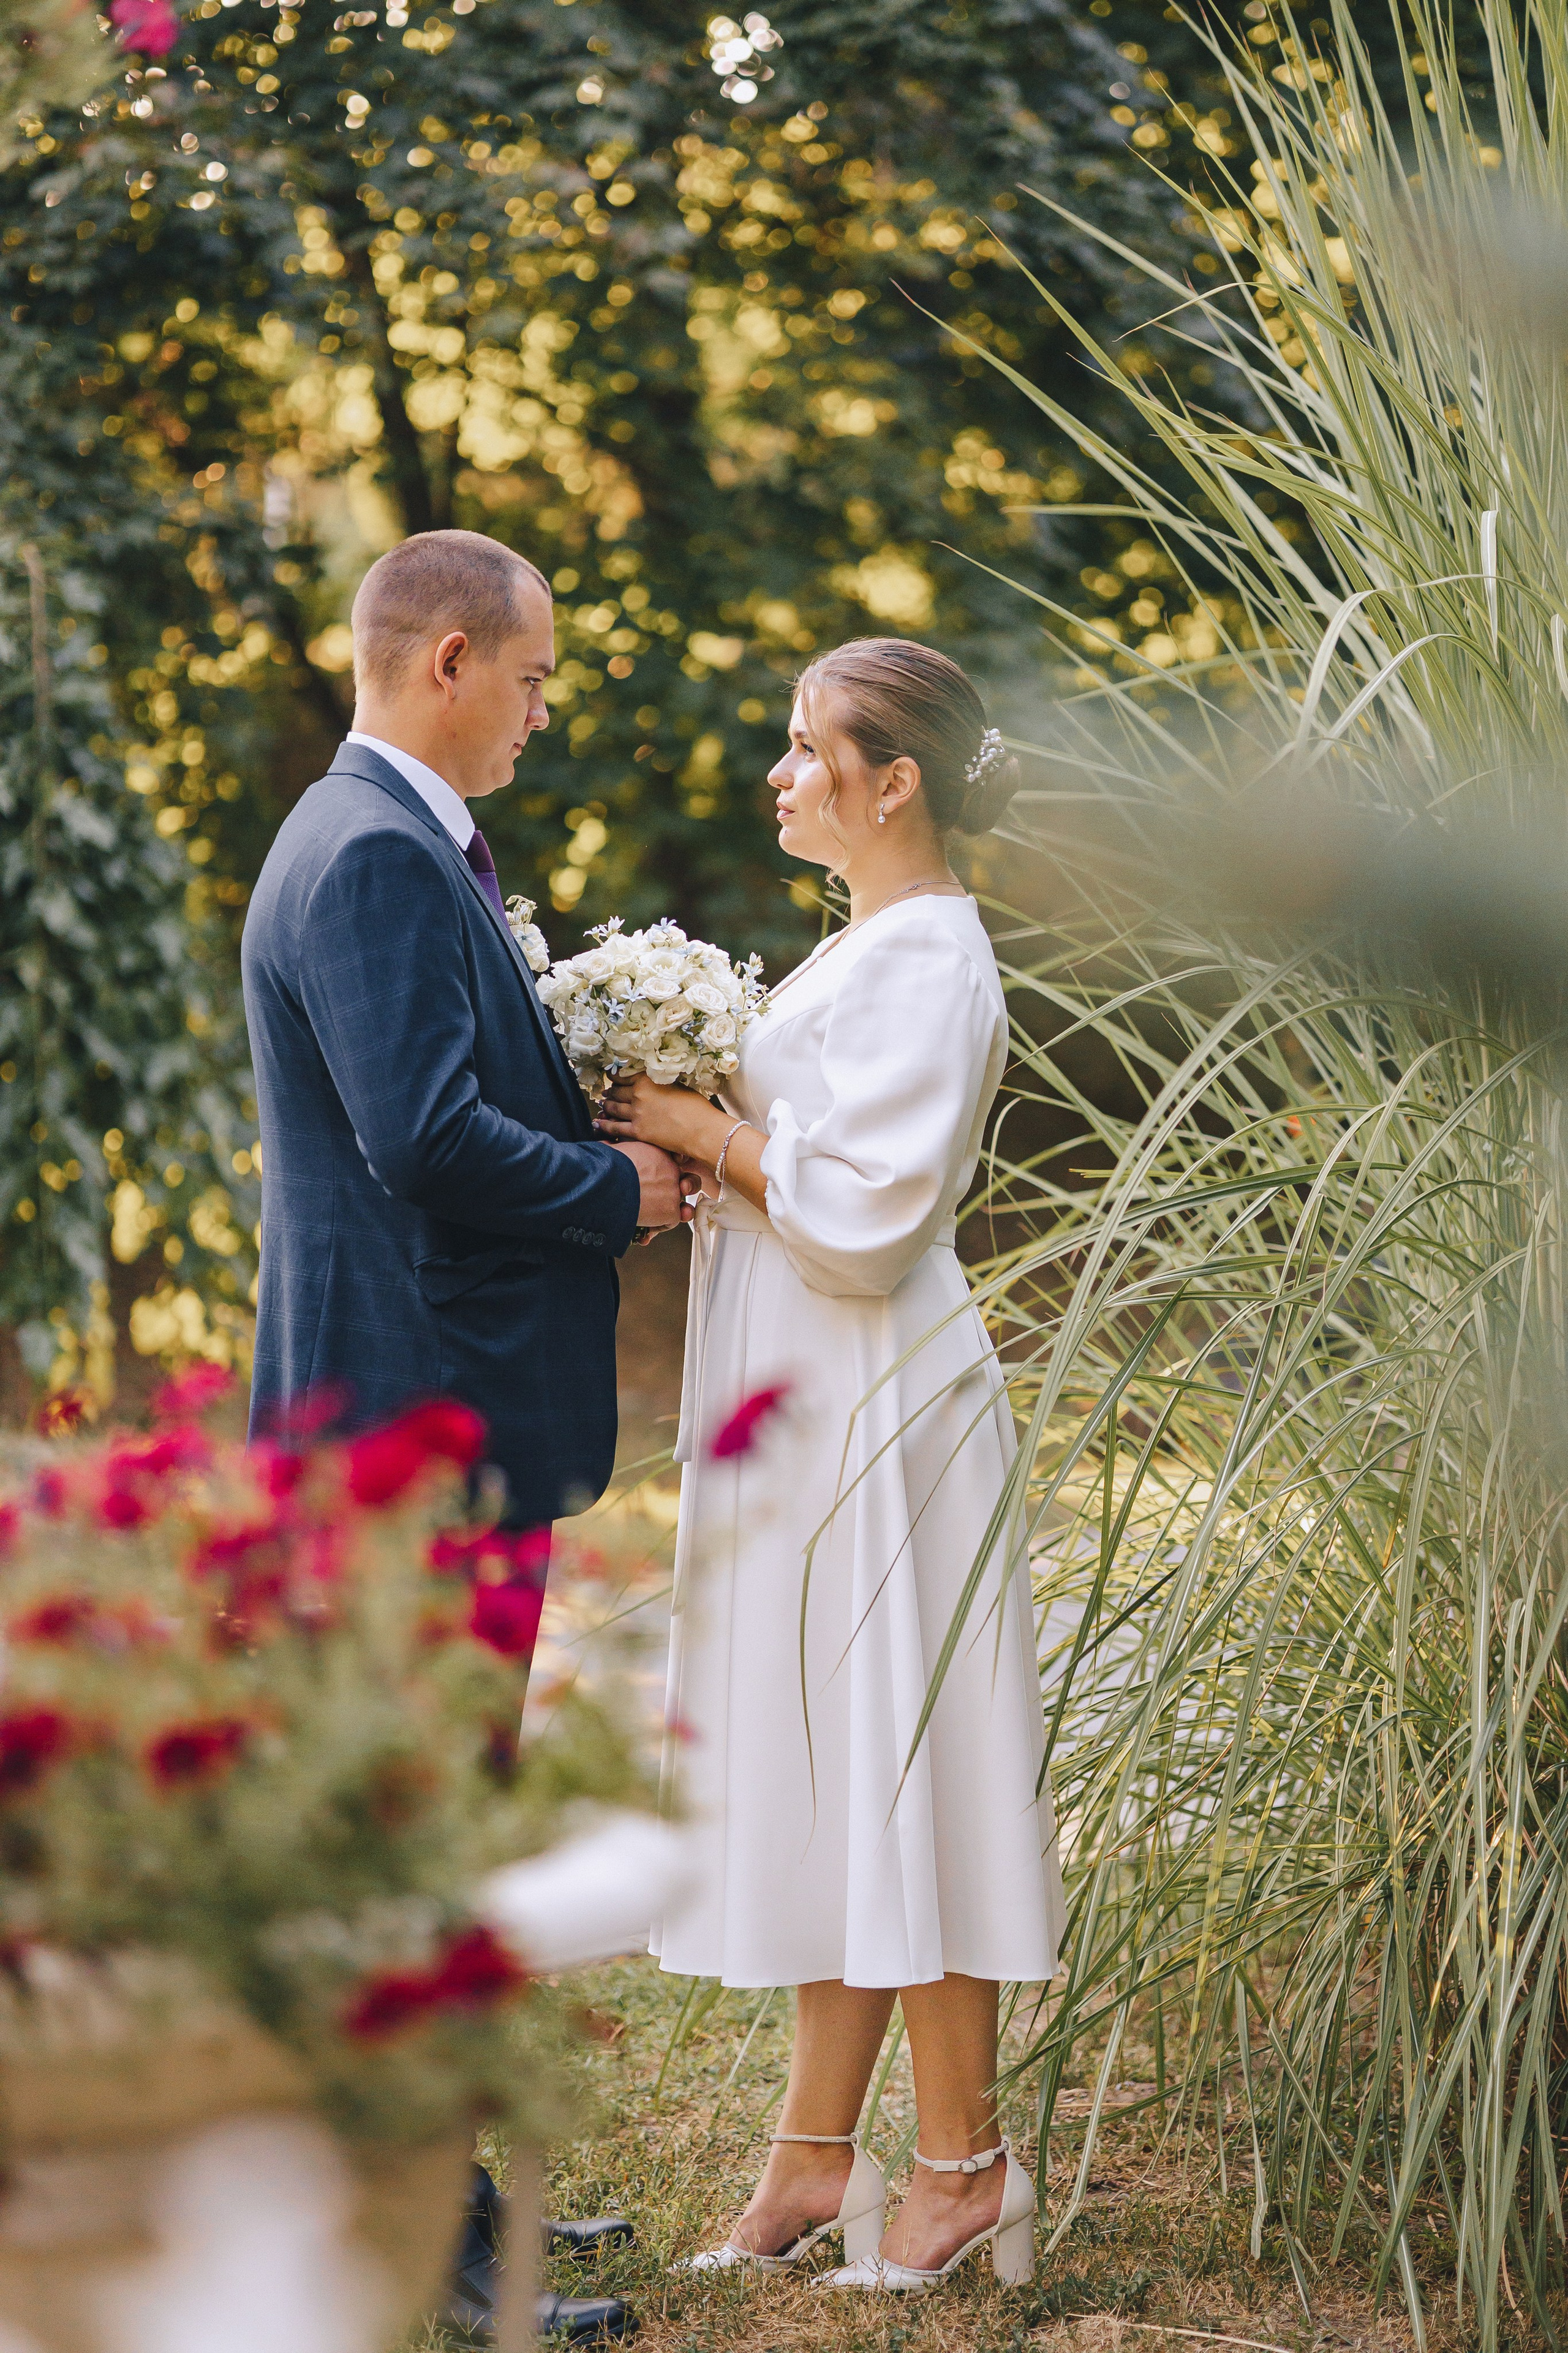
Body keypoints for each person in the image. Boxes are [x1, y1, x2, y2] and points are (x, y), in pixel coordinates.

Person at [243, 528, 685, 2343]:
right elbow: (423, 1140)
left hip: (411, 1410)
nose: (542, 707)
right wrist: (622, 1189)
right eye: (533, 675)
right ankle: (423, 2251)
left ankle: (451, 2208)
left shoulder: (385, 846)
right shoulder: (370, 858)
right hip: (410, 1425)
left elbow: (423, 1102)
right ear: (443, 660)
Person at [595, 637, 1067, 2294]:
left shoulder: (936, 956)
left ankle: (961, 2167)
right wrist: (676, 1135)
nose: (784, 775)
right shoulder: (866, 946)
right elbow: (796, 1170)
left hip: (885, 1402)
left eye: (810, 749)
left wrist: (706, 1127)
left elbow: (866, 1215)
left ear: (896, 779)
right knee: (838, 1759)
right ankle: (812, 2156)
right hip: (810, 1399)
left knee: (906, 1761)